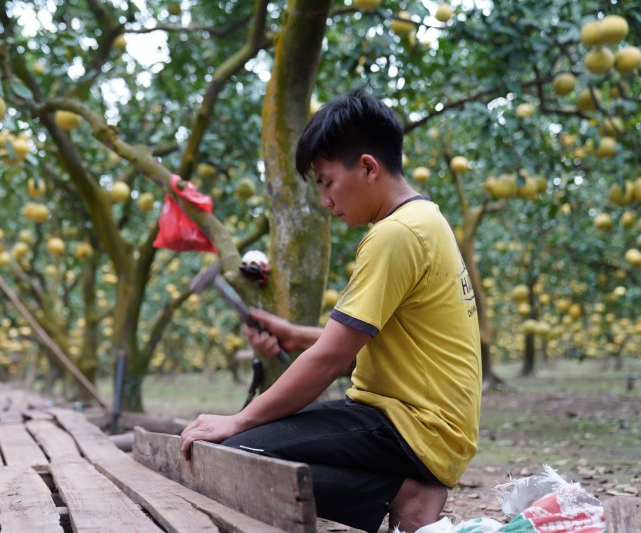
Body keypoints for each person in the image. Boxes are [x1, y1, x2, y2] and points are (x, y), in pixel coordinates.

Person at [180, 89, 482, 532]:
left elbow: (332, 358)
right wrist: (293, 333)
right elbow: (359, 344)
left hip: (412, 427)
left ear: (367, 167)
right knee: (248, 447)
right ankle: (398, 486)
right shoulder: (425, 221)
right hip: (421, 422)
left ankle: (405, 491)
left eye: (326, 182)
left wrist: (239, 418)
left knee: (236, 454)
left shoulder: (395, 235)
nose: (325, 200)